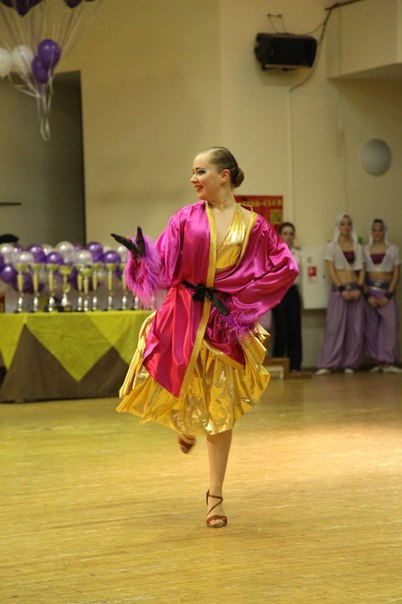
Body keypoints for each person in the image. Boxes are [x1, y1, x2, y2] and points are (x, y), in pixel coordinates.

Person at [112, 146, 298, 528]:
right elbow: (162, 267)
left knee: (222, 407)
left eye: (200, 171)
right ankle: (185, 423)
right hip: (183, 312)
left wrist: (243, 302)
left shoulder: (255, 226)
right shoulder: (185, 218)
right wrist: (141, 256)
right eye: (193, 172)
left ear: (224, 175)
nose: (193, 179)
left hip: (223, 322)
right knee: (171, 378)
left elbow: (284, 266)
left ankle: (215, 496)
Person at [316, 213, 365, 375]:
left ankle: (351, 362)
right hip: (339, 291)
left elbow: (362, 269)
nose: (346, 227)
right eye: (343, 224)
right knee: (334, 327)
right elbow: (331, 269)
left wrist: (359, 288)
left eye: (348, 224)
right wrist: (342, 288)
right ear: (338, 226)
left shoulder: (358, 246)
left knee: (355, 328)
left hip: (355, 290)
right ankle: (328, 363)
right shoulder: (331, 246)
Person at [363, 219, 402, 373]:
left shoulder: (393, 250)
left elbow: (396, 274)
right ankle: (378, 360)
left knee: (390, 325)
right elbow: (362, 274)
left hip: (387, 291)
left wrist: (388, 294)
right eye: (374, 229)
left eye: (380, 229)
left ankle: (388, 361)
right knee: (372, 327)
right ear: (371, 232)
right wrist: (367, 295)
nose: (377, 232)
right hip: (371, 291)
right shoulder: (364, 250)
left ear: (384, 231)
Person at [272, 222, 302, 371]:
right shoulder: (274, 252)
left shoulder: (298, 254)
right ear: (280, 235)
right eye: (285, 233)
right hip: (279, 293)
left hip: (293, 292)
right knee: (281, 329)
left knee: (294, 329)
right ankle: (278, 364)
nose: (288, 236)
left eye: (291, 234)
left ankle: (295, 365)